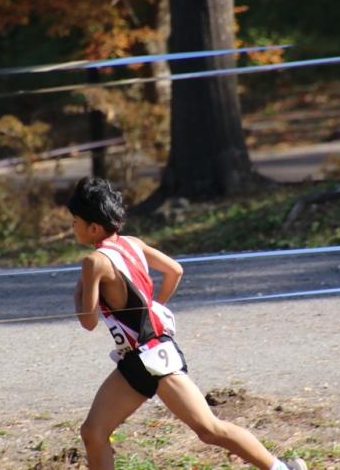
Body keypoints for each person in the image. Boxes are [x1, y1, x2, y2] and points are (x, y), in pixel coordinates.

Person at [67, 176, 306, 470]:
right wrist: (154, 309)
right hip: (135, 361)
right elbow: (175, 271)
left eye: (74, 220)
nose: (72, 226)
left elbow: (88, 321)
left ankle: (282, 469)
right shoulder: (132, 244)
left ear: (93, 227)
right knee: (93, 432)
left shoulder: (94, 262)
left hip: (154, 360)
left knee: (209, 429)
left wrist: (80, 290)